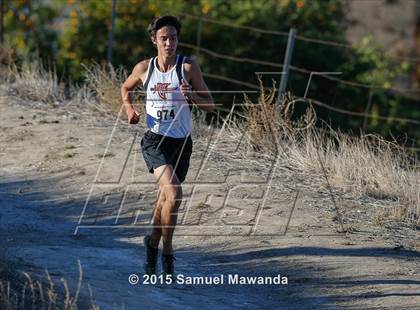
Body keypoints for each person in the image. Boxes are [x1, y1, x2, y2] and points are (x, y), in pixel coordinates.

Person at [121, 15, 214, 277]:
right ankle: (168, 252)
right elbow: (125, 87)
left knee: (165, 200)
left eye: (173, 38)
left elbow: (210, 105)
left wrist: (192, 96)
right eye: (164, 38)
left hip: (182, 143)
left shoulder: (187, 68)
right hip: (155, 141)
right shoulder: (144, 68)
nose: (169, 43)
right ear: (154, 40)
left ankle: (152, 242)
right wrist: (129, 109)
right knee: (173, 194)